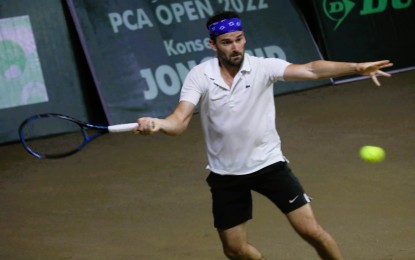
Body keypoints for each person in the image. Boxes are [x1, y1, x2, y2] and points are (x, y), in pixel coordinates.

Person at [134, 11, 393, 260]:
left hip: (269, 164)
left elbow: (311, 70)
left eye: (239, 39)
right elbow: (178, 122)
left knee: (311, 231)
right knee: (235, 250)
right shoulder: (200, 76)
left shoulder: (263, 67)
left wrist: (356, 67)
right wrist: (157, 124)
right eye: (226, 42)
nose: (235, 47)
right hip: (226, 174)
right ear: (212, 45)